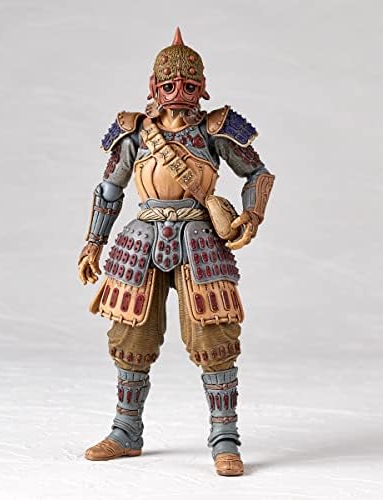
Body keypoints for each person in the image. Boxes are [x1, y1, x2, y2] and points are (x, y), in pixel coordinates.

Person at [78, 27, 275, 476]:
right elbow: (110, 189)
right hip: (142, 239)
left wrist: (251, 215)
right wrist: (93, 241)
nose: (178, 94)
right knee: (130, 338)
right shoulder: (133, 132)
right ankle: (125, 431)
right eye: (169, 85)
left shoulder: (215, 129)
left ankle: (225, 439)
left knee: (215, 338)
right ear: (153, 86)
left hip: (200, 239)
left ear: (202, 87)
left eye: (188, 86)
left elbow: (258, 174)